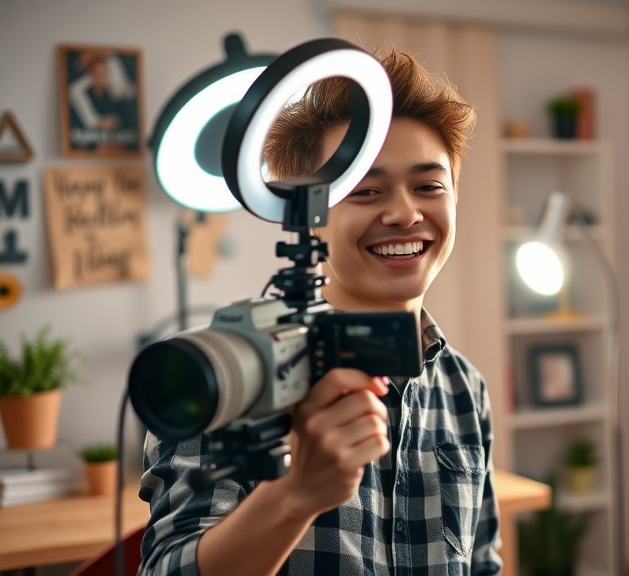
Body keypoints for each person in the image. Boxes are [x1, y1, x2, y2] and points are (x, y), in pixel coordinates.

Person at [138, 48, 501, 576]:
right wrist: (296, 495)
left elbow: (484, 563)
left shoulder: (465, 389)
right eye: (366, 190)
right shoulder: (227, 374)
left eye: (429, 186)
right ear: (304, 215)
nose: (404, 212)